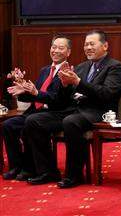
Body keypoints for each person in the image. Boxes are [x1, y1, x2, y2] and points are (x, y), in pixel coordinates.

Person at [24, 30, 121, 187]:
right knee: (34, 120)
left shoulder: (116, 67)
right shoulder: (81, 67)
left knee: (71, 122)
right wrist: (65, 85)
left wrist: (78, 82)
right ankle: (47, 171)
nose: (88, 48)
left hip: (98, 111)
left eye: (92, 44)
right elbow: (63, 99)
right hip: (73, 110)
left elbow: (106, 93)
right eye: (86, 45)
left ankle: (74, 175)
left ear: (105, 46)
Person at [2, 35, 72, 181]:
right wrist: (23, 91)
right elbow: (36, 96)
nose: (55, 50)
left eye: (60, 48)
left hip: (55, 112)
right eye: (53, 47)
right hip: (36, 111)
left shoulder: (69, 72)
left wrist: (36, 93)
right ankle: (17, 166)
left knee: (31, 123)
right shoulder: (45, 70)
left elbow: (59, 100)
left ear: (68, 52)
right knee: (8, 125)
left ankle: (31, 168)